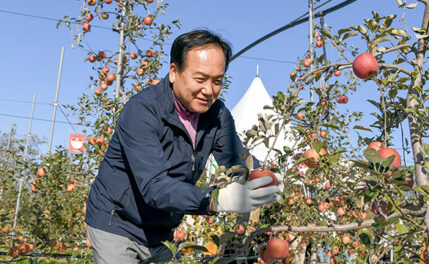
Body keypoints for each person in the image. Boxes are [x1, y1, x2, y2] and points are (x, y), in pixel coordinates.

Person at [85, 29, 283, 264]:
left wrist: (262, 178)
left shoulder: (217, 116)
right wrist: (216, 199)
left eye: (217, 81)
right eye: (200, 79)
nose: (209, 90)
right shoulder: (142, 111)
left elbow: (236, 160)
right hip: (117, 223)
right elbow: (155, 187)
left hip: (162, 229)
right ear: (174, 72)